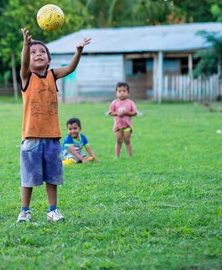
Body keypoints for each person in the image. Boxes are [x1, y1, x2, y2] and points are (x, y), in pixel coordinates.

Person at [17, 28, 91, 223]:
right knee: (28, 178)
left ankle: (53, 210)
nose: (37, 55)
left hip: (52, 137)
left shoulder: (52, 75)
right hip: (31, 137)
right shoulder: (27, 77)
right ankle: (25, 211)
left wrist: (79, 51)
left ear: (49, 60)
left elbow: (69, 69)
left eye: (42, 52)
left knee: (52, 177)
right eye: (33, 53)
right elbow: (24, 63)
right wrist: (26, 45)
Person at [108, 82, 138, 158]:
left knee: (127, 140)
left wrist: (126, 112)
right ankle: (117, 156)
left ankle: (130, 155)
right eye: (119, 91)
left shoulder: (130, 103)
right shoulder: (114, 103)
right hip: (117, 126)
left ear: (128, 93)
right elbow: (110, 113)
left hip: (127, 125)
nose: (122, 93)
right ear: (116, 93)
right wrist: (118, 113)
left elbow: (134, 113)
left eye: (124, 91)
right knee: (118, 140)